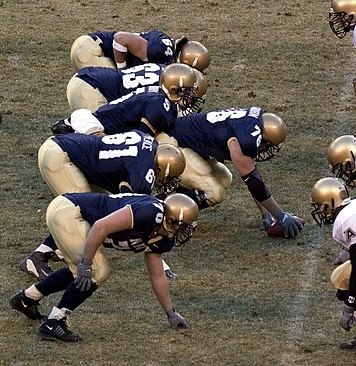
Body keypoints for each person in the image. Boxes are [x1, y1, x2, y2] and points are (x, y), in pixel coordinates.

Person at [10, 192, 199, 342]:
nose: (186, 233)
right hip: (69, 211)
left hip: (70, 214)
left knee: (81, 271)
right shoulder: (150, 212)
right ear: (173, 220)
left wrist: (170, 313)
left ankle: (28, 298)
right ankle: (54, 322)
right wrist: (86, 264)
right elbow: (100, 227)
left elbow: (157, 275)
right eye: (185, 227)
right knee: (96, 271)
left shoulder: (162, 239)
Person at [19, 130, 186, 280]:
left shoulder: (149, 142)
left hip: (65, 148)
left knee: (94, 207)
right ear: (160, 167)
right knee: (80, 211)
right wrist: (159, 260)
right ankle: (39, 256)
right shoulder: (143, 173)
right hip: (62, 156)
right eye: (168, 176)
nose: (166, 181)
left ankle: (52, 250)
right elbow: (132, 211)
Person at [156, 107, 304, 238]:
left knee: (225, 178)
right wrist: (281, 216)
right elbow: (254, 184)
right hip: (171, 147)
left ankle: (172, 201)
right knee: (214, 192)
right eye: (268, 145)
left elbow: (254, 181)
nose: (265, 150)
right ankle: (161, 210)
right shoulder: (243, 141)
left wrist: (267, 216)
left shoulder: (251, 124)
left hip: (187, 144)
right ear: (263, 138)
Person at [51, 63, 199, 136]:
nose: (190, 96)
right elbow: (140, 140)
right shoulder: (159, 104)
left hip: (97, 119)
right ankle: (69, 131)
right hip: (97, 131)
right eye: (187, 90)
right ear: (173, 89)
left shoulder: (160, 96)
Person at [310, 176, 356, 349]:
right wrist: (346, 252)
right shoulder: (352, 208)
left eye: (321, 206)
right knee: (341, 275)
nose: (321, 211)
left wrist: (349, 306)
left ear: (331, 201)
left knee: (347, 278)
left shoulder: (346, 220)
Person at [66, 63, 208, 113]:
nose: (190, 101)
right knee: (99, 137)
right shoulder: (161, 91)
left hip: (88, 78)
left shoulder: (167, 71)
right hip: (93, 89)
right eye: (189, 94)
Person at [70, 30, 210, 73]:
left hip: (88, 46)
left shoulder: (166, 49)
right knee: (115, 91)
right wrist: (122, 72)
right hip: (92, 49)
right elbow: (120, 39)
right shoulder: (160, 52)